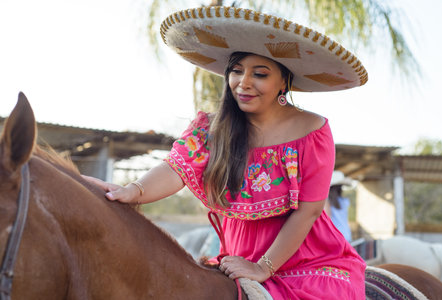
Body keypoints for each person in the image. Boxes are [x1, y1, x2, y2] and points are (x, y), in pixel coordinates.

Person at [84, 6, 368, 299]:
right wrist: (133, 191)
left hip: (308, 263)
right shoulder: (211, 128)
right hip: (237, 257)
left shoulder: (313, 130)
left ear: (284, 81)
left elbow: (309, 210)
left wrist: (263, 267)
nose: (243, 83)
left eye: (259, 74)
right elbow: (176, 168)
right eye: (236, 71)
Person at [325, 171, 354, 242]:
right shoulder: (344, 201)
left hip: (335, 237)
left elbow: (327, 219)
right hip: (346, 235)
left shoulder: (327, 202)